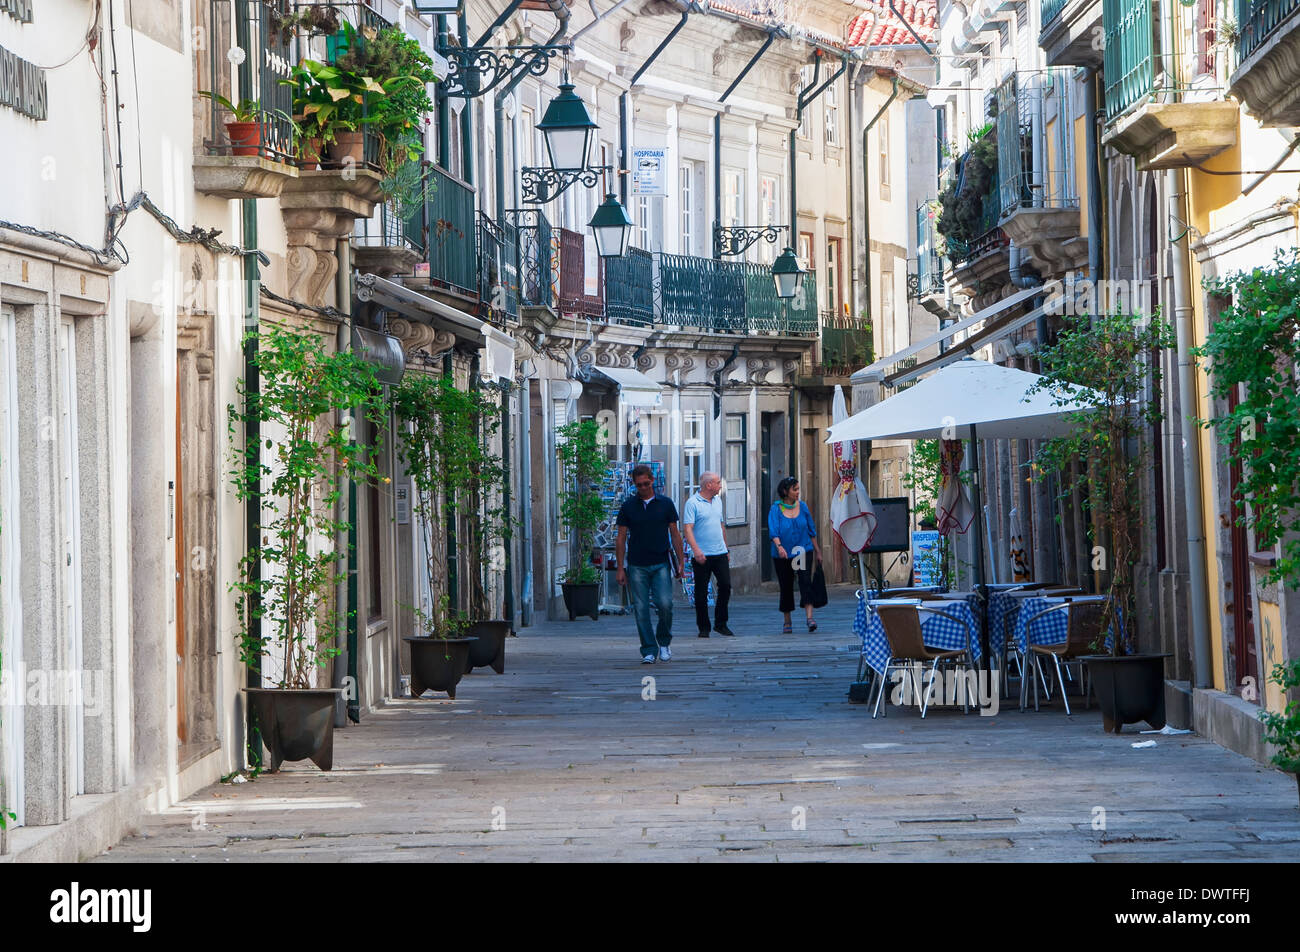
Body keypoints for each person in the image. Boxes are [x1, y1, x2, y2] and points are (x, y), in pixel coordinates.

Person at [616, 464, 686, 663]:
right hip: (637, 564)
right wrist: (620, 567)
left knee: (665, 604)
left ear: (653, 481)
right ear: (634, 485)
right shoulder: (628, 506)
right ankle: (648, 648)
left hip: (661, 561)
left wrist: (681, 562)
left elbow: (675, 533)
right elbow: (621, 537)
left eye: (646, 483)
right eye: (639, 485)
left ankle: (664, 641)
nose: (644, 488)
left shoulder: (665, 504)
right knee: (640, 607)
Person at [768, 476, 823, 633]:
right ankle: (787, 620)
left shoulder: (803, 507)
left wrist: (818, 551)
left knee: (805, 581)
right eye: (795, 489)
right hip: (783, 554)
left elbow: (811, 530)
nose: (798, 492)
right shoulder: (776, 509)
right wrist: (779, 547)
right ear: (786, 491)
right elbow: (774, 531)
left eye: (798, 489)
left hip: (802, 550)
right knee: (786, 585)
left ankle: (809, 618)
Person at [681, 472, 733, 638]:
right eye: (718, 482)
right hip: (702, 554)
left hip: (720, 552)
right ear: (709, 485)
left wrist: (726, 548)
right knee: (701, 592)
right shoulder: (692, 503)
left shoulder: (718, 501)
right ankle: (704, 627)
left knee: (725, 586)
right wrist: (696, 550)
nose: (720, 485)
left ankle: (721, 623)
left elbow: (721, 525)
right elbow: (687, 529)